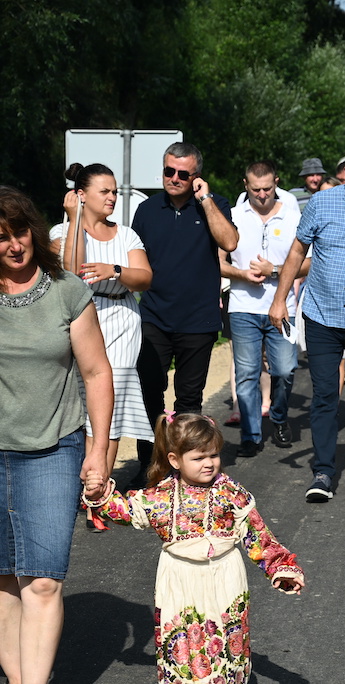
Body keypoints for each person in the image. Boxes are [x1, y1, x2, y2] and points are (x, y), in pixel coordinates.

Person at [82, 413, 304, 683]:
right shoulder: (160, 495)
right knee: (184, 647)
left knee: (227, 644)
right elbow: (126, 511)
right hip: (179, 581)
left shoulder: (231, 492)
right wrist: (99, 494)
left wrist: (281, 569)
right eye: (198, 458)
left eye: (213, 455)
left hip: (226, 579)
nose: (209, 464)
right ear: (175, 460)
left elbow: (257, 533)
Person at [0, 185, 114, 684]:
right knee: (2, 584)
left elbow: (96, 374)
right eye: (0, 237)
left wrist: (99, 451)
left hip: (52, 450)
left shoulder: (67, 290)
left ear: (34, 230)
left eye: (20, 231)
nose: (14, 245)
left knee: (42, 581)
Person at [269, 150, 345, 502]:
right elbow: (296, 251)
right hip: (322, 315)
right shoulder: (321, 203)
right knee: (325, 395)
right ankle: (323, 470)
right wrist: (280, 299)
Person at [51, 163, 154, 531]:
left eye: (114, 192)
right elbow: (68, 270)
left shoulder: (125, 235)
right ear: (81, 195)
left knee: (111, 415)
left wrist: (115, 270)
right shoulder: (60, 231)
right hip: (79, 323)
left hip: (121, 323)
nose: (112, 198)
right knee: (82, 410)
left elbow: (144, 277)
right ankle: (84, 486)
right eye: (104, 192)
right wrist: (74, 218)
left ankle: (98, 495)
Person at [132, 142, 239, 485]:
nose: (174, 178)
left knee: (189, 400)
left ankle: (190, 469)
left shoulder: (214, 204)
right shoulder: (147, 210)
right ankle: (151, 464)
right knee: (148, 391)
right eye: (169, 171)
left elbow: (230, 242)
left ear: (196, 177)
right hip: (154, 317)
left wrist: (205, 200)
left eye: (183, 173)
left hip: (198, 320)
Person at [223, 161, 305, 458]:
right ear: (245, 185)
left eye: (268, 188)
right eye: (255, 189)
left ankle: (280, 418)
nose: (261, 195)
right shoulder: (232, 216)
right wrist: (242, 275)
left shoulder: (293, 214)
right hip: (243, 306)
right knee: (247, 373)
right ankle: (251, 434)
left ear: (277, 183)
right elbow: (218, 261)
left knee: (285, 369)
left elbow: (308, 262)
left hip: (282, 305)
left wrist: (275, 271)